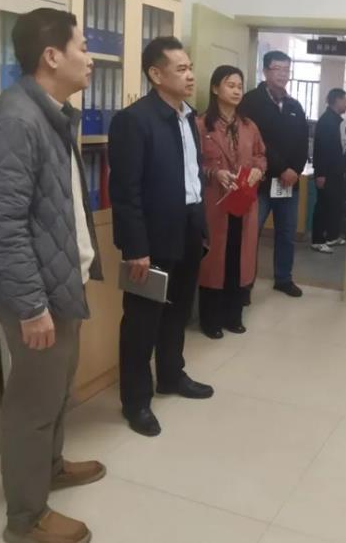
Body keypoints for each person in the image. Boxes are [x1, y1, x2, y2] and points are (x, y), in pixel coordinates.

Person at [0, 8, 104, 543]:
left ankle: (49, 468)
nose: (90, 59)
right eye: (82, 47)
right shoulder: (16, 119)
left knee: (55, 391)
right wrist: (31, 305)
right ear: (52, 56)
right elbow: (0, 225)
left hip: (60, 283)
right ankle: (25, 520)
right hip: (38, 293)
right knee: (32, 405)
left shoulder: (50, 112)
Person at [109, 36, 213, 438]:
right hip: (151, 237)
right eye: (181, 69)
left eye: (190, 68)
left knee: (178, 311)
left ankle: (171, 375)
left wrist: (201, 226)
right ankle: (136, 401)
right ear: (156, 74)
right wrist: (135, 247)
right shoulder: (134, 120)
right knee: (141, 321)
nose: (190, 76)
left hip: (187, 227)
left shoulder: (189, 117)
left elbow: (192, 177)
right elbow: (125, 191)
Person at [196, 65, 266, 337]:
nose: (237, 91)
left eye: (239, 86)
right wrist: (215, 173)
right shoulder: (201, 125)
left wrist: (258, 170)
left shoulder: (249, 126)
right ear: (215, 88)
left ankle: (233, 314)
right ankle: (210, 319)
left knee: (239, 257)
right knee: (214, 262)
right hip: (215, 203)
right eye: (230, 85)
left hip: (244, 202)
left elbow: (260, 156)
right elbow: (193, 164)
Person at [240, 51, 309, 297]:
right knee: (250, 234)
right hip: (260, 182)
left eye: (286, 70)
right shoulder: (250, 102)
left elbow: (303, 142)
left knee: (287, 234)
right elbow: (256, 142)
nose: (282, 74)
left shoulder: (294, 105)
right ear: (265, 71)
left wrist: (295, 171)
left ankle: (283, 278)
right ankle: (244, 283)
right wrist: (282, 169)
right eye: (277, 69)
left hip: (288, 184)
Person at [311, 88, 346, 253]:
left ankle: (331, 236)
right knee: (323, 206)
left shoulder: (333, 121)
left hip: (334, 173)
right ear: (337, 101)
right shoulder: (326, 121)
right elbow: (321, 150)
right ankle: (317, 240)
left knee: (333, 205)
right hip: (326, 174)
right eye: (345, 100)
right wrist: (320, 174)